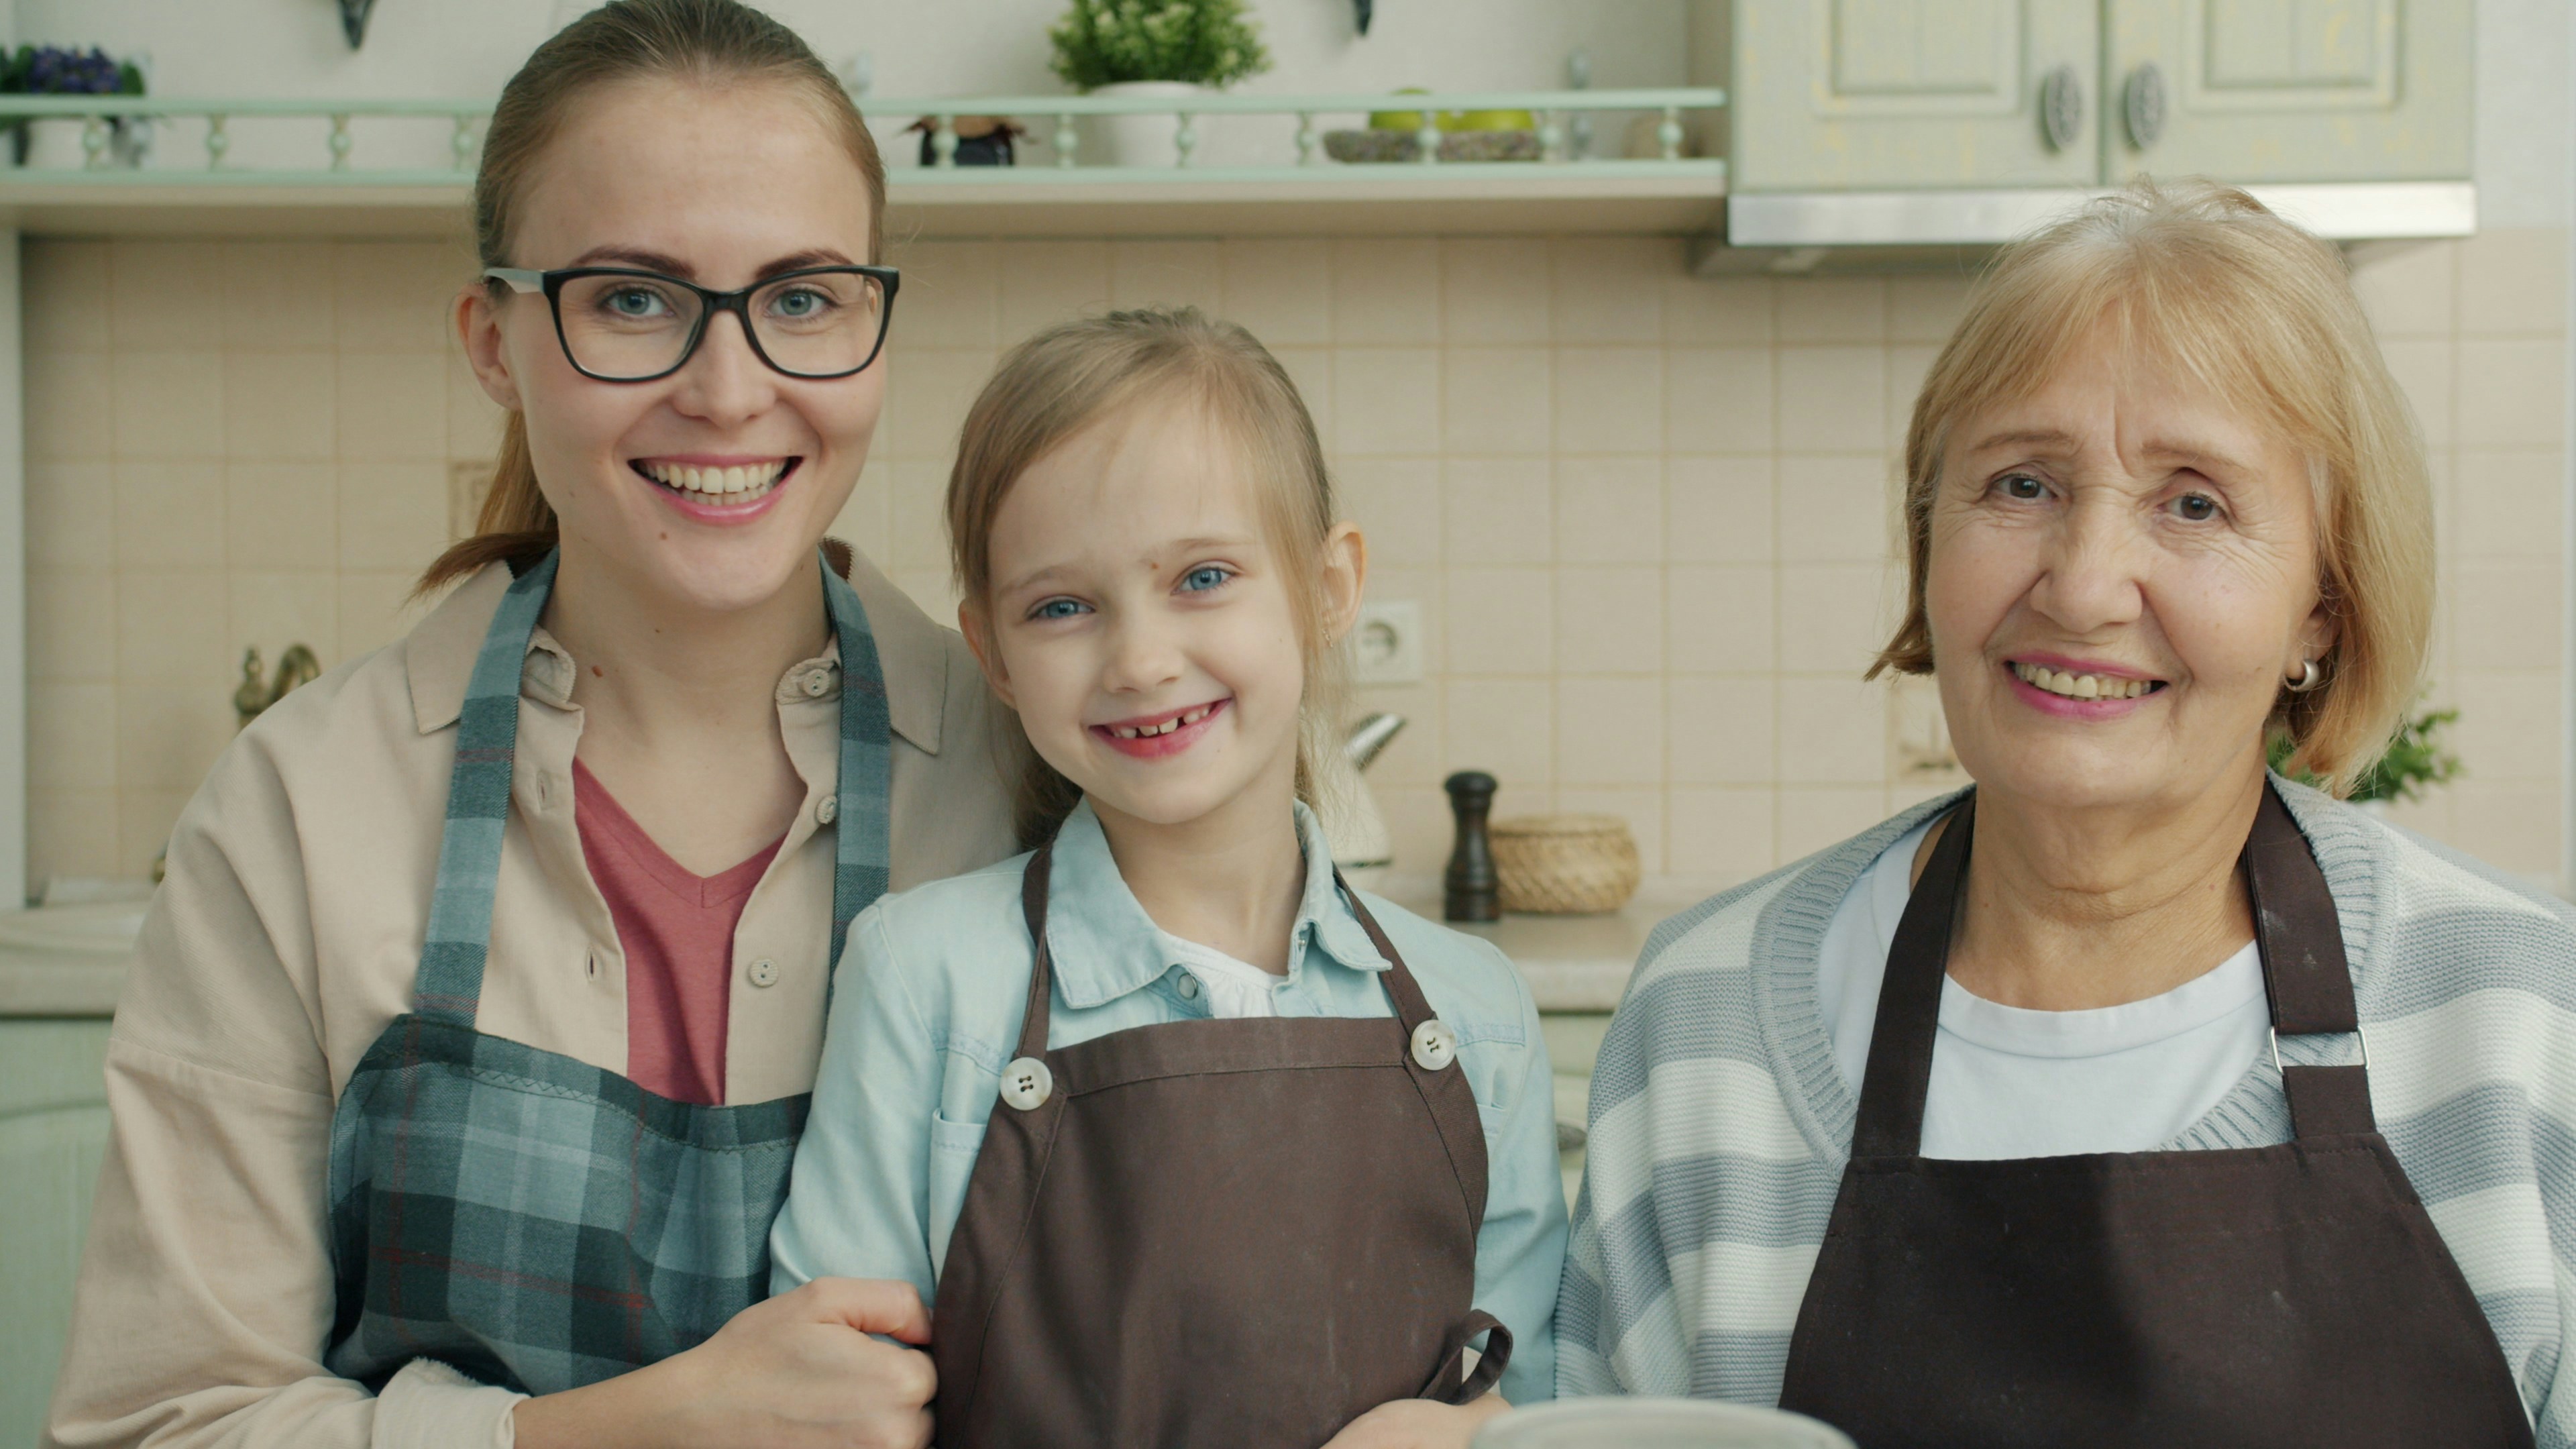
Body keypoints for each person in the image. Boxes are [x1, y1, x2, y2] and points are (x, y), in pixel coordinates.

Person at [45, 4, 1019, 1446]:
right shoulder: (300, 812)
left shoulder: (1036, 779)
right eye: (631, 299)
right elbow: (163, 1423)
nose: (729, 388)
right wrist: (622, 1434)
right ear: (493, 340)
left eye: (804, 298)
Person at [1560, 178, 2576, 1448]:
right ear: (1930, 541)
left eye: (2194, 502)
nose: (2086, 585)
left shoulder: (2523, 1025)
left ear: (2323, 604)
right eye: (2023, 485)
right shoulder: (1706, 1028)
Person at [766, 308, 1568, 1448]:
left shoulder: (1476, 1010)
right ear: (989, 650)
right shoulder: (922, 977)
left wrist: (1473, 1433)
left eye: (1202, 576)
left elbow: (1533, 1384)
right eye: (1061, 606)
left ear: (1329, 587)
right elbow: (829, 1407)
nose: (1140, 659)